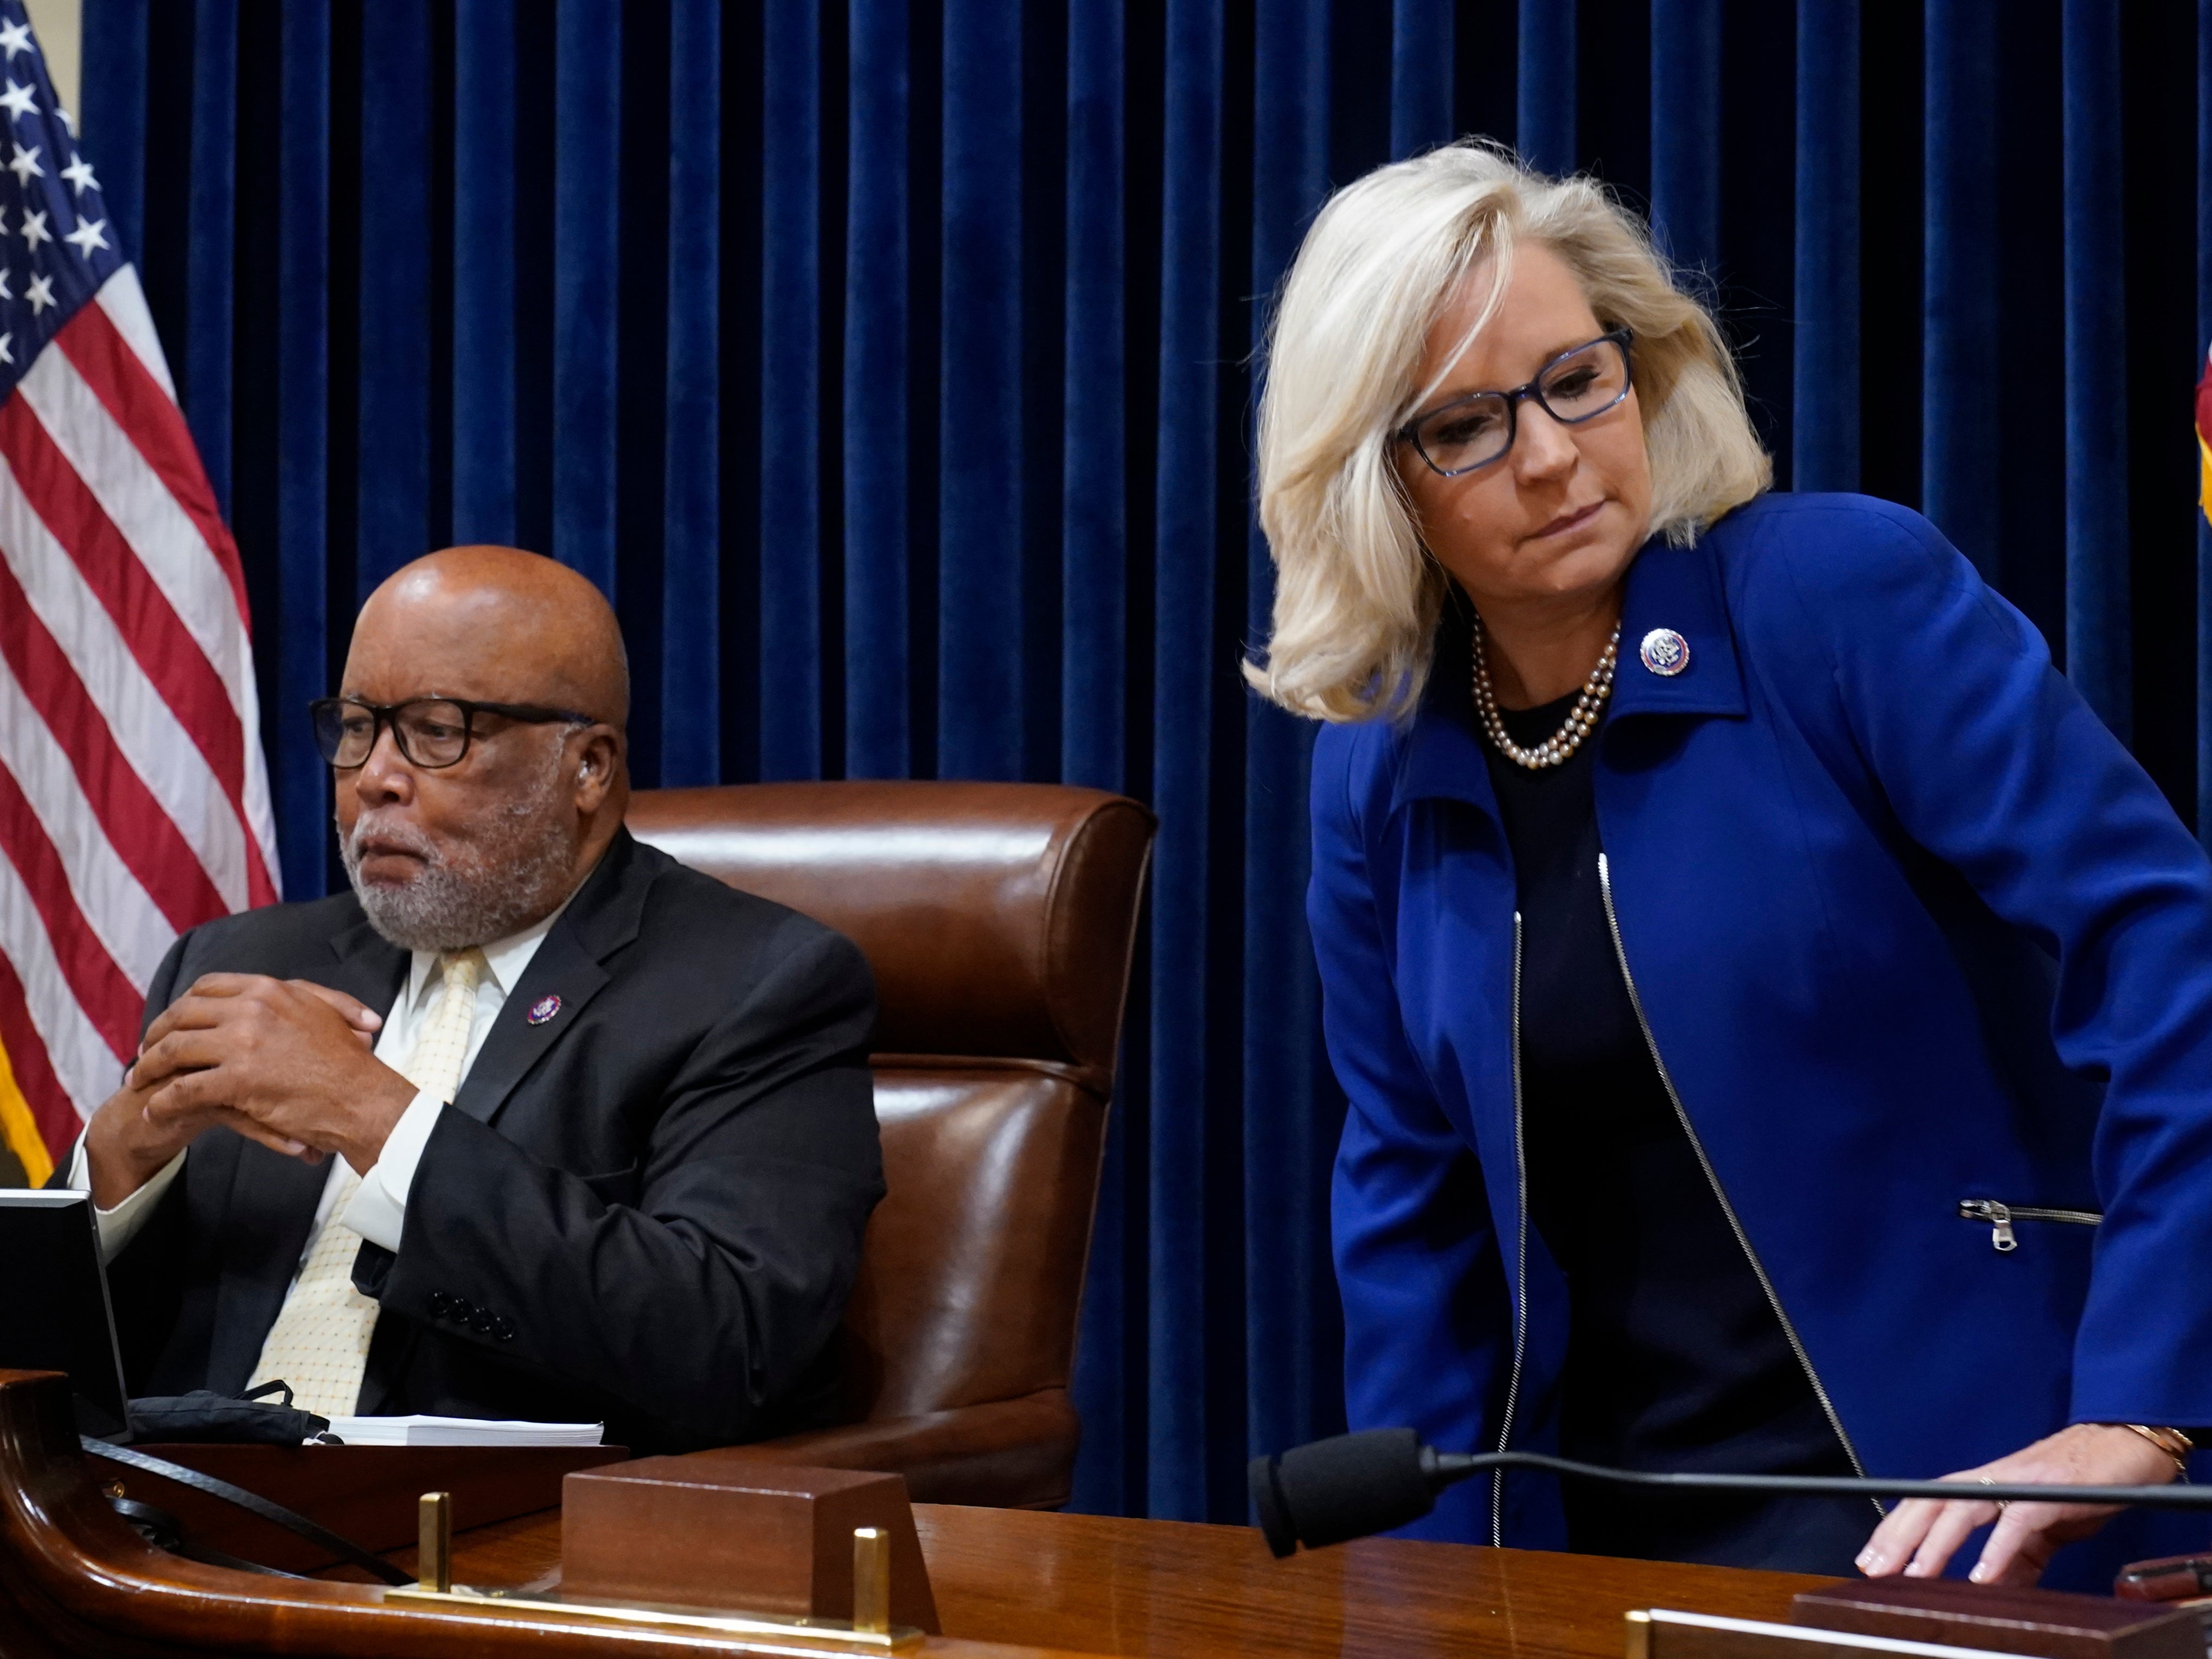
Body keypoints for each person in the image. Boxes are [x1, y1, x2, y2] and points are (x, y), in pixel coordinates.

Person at [1247, 141, 2212, 1589]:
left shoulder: (1834, 597)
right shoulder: (1378, 766)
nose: (1553, 453)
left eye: (1575, 378)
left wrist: (2142, 1406)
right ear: (1372, 485)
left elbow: (2170, 960)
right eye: (1464, 425)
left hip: (1950, 1502)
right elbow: (1410, 1202)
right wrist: (1421, 1597)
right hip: (1589, 1535)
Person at [67, 546, 884, 1453]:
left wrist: (372, 1113)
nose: (374, 774)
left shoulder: (755, 983)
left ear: (588, 768)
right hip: (162, 1528)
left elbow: (726, 1342)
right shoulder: (240, 959)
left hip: (495, 1552)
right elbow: (80, 1361)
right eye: (356, 726)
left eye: (437, 729)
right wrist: (113, 1170)